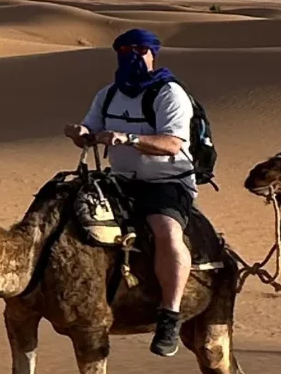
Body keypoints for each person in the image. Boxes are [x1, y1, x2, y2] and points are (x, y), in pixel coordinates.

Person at [66, 28, 196, 356]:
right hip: (120, 179)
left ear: (153, 54)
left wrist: (129, 139)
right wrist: (81, 133)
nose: (133, 56)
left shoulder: (169, 94)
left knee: (166, 232)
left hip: (166, 181)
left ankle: (170, 313)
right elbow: (91, 130)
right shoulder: (108, 94)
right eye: (125, 50)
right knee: (63, 209)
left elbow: (172, 143)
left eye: (140, 50)